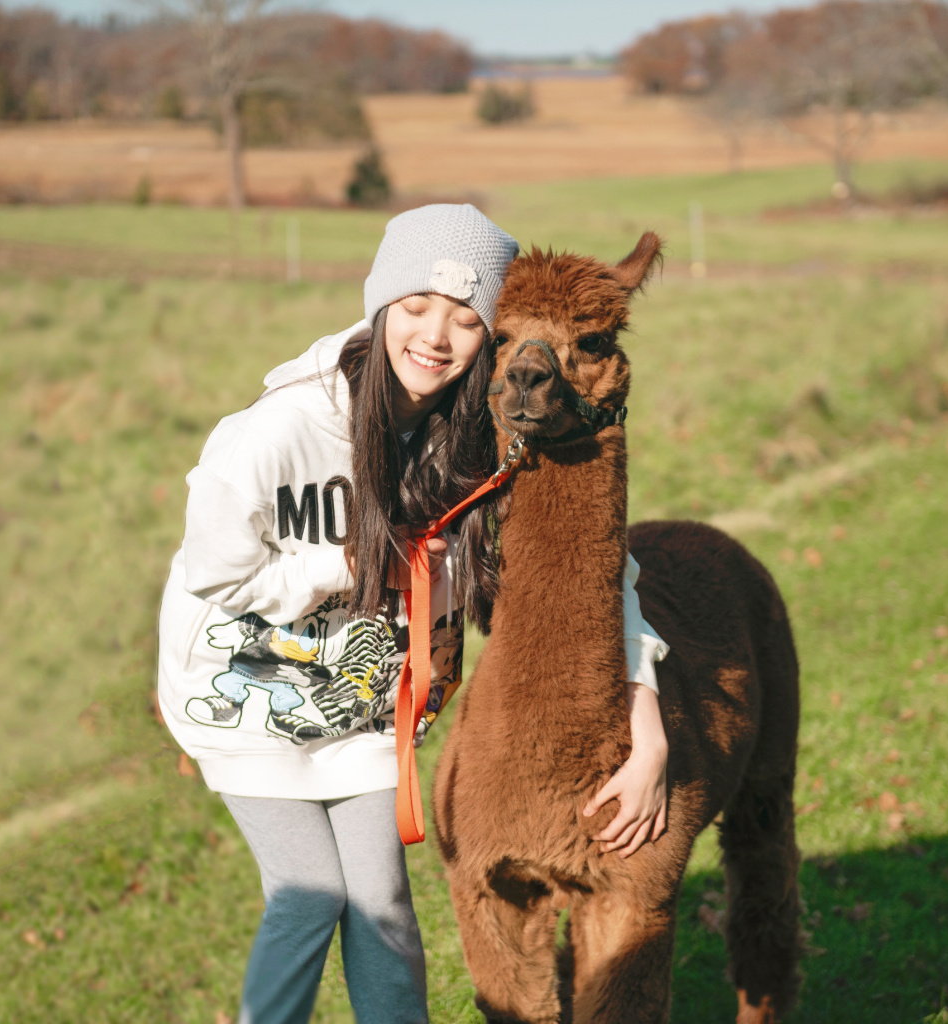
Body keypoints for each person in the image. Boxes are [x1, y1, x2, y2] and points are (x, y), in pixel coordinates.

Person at [156, 204, 670, 1024]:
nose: (436, 335)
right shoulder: (282, 430)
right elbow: (216, 571)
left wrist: (647, 714)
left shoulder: (469, 439)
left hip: (361, 706)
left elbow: (599, 577)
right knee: (310, 899)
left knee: (386, 911)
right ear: (381, 304)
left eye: (468, 320)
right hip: (245, 699)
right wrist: (360, 564)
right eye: (418, 306)